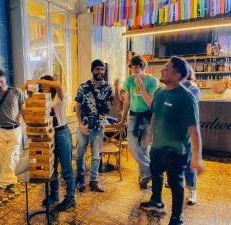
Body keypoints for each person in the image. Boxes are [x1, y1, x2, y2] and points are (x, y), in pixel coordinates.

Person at [139, 57, 203, 225]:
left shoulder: (187, 98)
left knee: (175, 184)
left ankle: (176, 218)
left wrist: (197, 157)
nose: (162, 71)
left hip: (177, 150)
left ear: (177, 74)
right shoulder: (160, 93)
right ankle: (157, 202)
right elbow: (155, 113)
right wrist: (149, 134)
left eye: (166, 69)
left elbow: (194, 130)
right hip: (158, 147)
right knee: (156, 174)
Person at [27, 75, 76, 212]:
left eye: (45, 83)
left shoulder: (59, 96)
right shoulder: (41, 98)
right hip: (47, 134)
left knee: (66, 167)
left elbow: (59, 85)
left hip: (61, 132)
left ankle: (70, 197)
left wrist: (37, 80)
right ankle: (54, 194)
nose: (43, 86)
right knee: (51, 166)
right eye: (41, 85)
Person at [75, 59, 119, 192]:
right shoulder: (83, 87)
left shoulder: (107, 88)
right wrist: (80, 124)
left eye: (102, 69)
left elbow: (116, 107)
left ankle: (93, 181)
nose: (100, 72)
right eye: (97, 69)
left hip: (98, 127)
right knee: (80, 155)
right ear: (92, 70)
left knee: (96, 156)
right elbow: (77, 107)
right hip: (84, 127)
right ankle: (81, 180)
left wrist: (116, 88)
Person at [117, 55, 158, 189]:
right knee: (132, 145)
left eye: (137, 66)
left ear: (143, 66)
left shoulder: (152, 81)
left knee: (145, 148)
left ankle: (143, 178)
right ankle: (152, 171)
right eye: (132, 66)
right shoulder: (129, 80)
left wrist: (141, 86)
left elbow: (150, 103)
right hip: (134, 117)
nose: (134, 68)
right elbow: (127, 101)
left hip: (147, 117)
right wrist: (123, 120)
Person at [0, 69, 25, 197]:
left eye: (1, 81)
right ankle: (12, 181)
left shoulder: (17, 92)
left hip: (15, 130)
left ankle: (1, 184)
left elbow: (23, 111)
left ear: (5, 78)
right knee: (3, 159)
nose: (0, 85)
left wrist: (30, 126)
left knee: (11, 157)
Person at [182, 65, 200, 205]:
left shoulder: (193, 88)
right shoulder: (172, 88)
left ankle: (192, 190)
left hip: (188, 129)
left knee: (189, 161)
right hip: (175, 130)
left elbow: (187, 105)